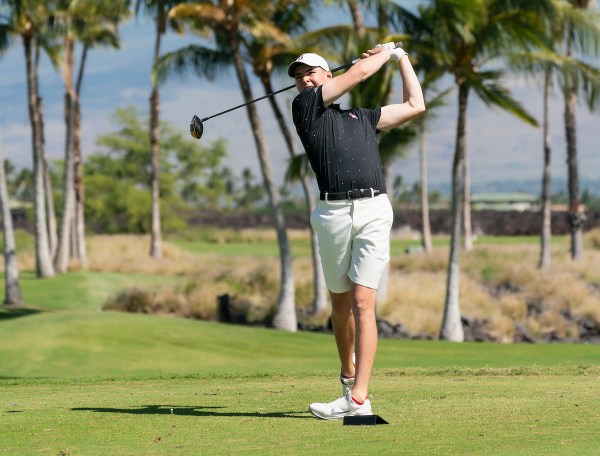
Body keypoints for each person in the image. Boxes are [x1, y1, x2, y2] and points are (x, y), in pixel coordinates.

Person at [287, 43, 425, 420]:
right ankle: (348, 375)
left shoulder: (363, 118)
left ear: (328, 73)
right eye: (298, 77)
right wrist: (380, 54)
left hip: (374, 209)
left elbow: (416, 105)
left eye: (310, 73)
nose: (304, 80)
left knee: (364, 301)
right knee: (340, 301)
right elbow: (361, 74)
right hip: (332, 212)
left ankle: (359, 397)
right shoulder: (305, 108)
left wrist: (400, 58)